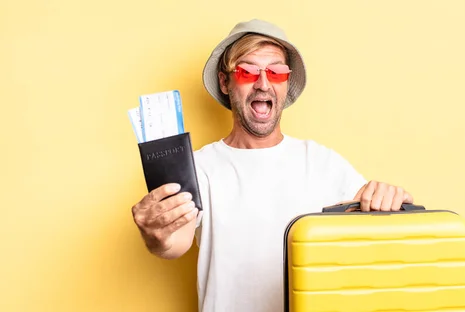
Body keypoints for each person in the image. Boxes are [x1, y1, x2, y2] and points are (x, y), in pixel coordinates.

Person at [131, 19, 414, 312]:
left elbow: (372, 233)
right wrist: (156, 234)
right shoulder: (200, 168)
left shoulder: (320, 162)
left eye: (276, 72)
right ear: (225, 82)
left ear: (286, 82)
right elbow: (173, 243)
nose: (263, 83)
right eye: (247, 71)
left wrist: (389, 201)